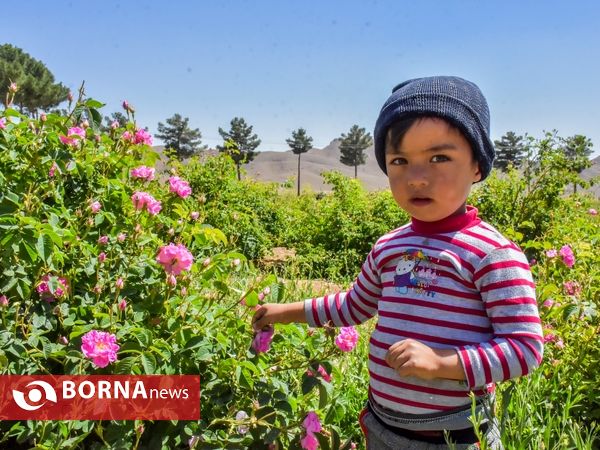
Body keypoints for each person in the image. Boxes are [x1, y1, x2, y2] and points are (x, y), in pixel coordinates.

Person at [252, 76, 543, 449]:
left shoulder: (491, 254)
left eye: (439, 157)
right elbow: (354, 305)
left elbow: (524, 349)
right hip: (383, 426)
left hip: (454, 435)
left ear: (477, 166)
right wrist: (283, 311)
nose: (416, 178)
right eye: (400, 161)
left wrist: (443, 363)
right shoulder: (390, 245)